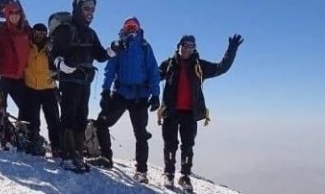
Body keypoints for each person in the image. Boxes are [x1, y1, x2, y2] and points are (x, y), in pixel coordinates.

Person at [158, 34, 243, 191]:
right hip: (171, 112)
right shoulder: (169, 64)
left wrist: (231, 50)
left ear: (194, 49)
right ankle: (168, 174)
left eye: (191, 46)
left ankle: (185, 176)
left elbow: (221, 68)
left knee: (187, 146)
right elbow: (153, 76)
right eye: (185, 45)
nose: (187, 48)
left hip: (190, 113)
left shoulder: (199, 66)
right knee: (170, 144)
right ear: (179, 46)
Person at [49, 0, 117, 172]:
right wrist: (63, 66)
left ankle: (77, 154)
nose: (90, 13)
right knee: (69, 116)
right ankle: (67, 155)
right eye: (86, 9)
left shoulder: (90, 33)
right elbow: (52, 54)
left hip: (84, 82)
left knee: (81, 117)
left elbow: (100, 56)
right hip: (70, 81)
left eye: (92, 10)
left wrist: (114, 50)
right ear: (78, 9)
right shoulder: (66, 29)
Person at [92, 17, 160, 183]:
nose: (131, 30)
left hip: (140, 96)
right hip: (121, 93)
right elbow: (110, 70)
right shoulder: (118, 46)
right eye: (128, 27)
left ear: (139, 29)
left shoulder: (145, 47)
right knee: (102, 123)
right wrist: (105, 92)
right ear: (123, 29)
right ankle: (106, 157)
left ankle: (141, 172)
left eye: (134, 27)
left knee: (141, 134)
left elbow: (153, 72)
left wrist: (156, 95)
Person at [0, 1, 31, 147]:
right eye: (11, 13)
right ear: (7, 15)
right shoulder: (1, 33)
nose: (15, 16)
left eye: (17, 13)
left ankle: (21, 136)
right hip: (3, 76)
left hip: (20, 77)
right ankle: (4, 138)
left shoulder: (27, 32)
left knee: (27, 106)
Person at [23, 23, 61, 156]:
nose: (39, 36)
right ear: (33, 32)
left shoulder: (51, 47)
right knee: (33, 120)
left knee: (53, 120)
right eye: (37, 33)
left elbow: (59, 63)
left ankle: (57, 146)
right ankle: (33, 143)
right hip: (31, 87)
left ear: (46, 34)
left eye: (42, 33)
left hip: (48, 88)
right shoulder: (27, 45)